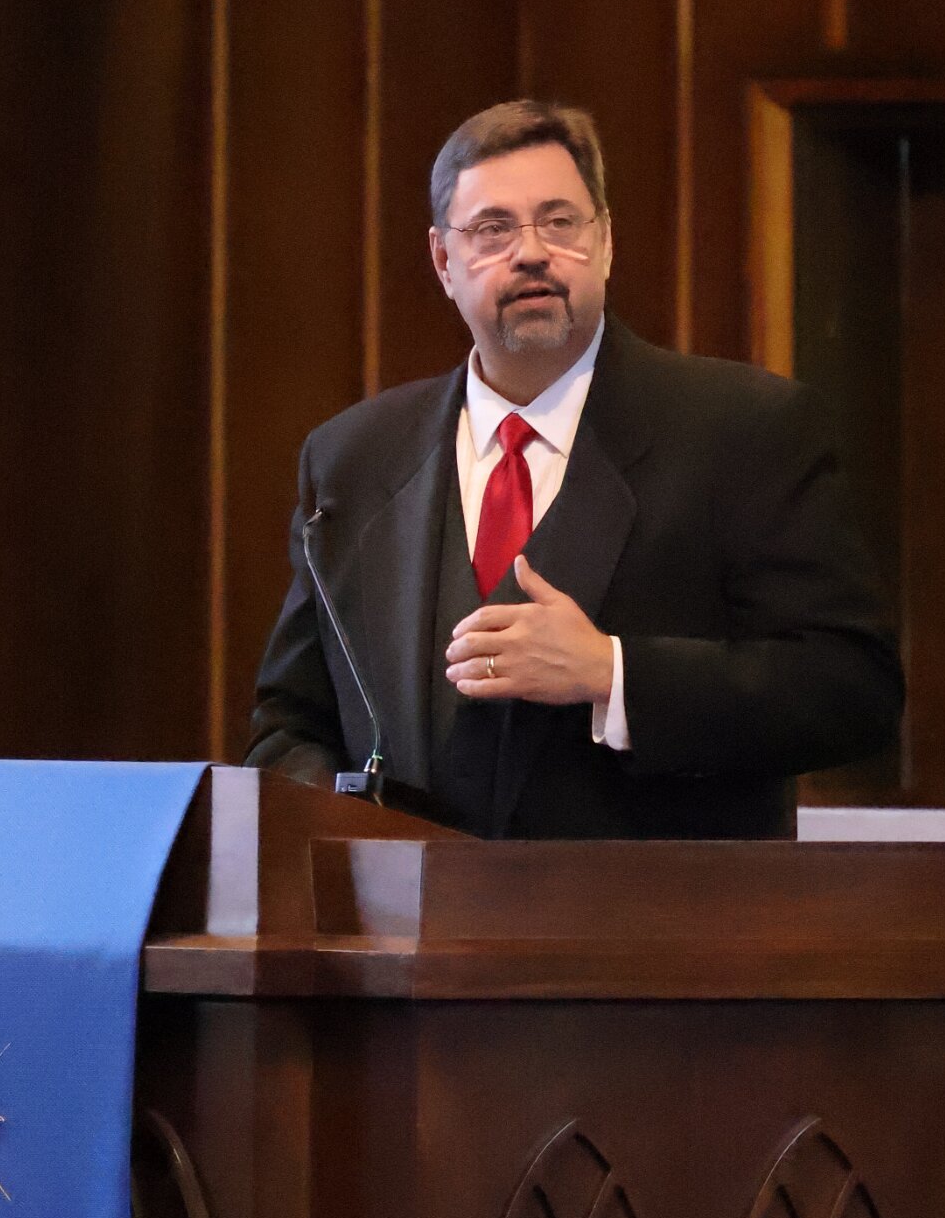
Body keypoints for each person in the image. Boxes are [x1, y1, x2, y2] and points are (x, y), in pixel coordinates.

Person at [247, 99, 902, 838]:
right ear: (443, 261)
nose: (531, 252)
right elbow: (288, 725)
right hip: (412, 906)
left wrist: (612, 674)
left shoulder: (742, 430)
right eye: (493, 229)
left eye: (559, 222)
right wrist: (350, 827)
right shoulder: (354, 459)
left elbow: (854, 691)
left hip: (651, 909)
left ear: (606, 242)